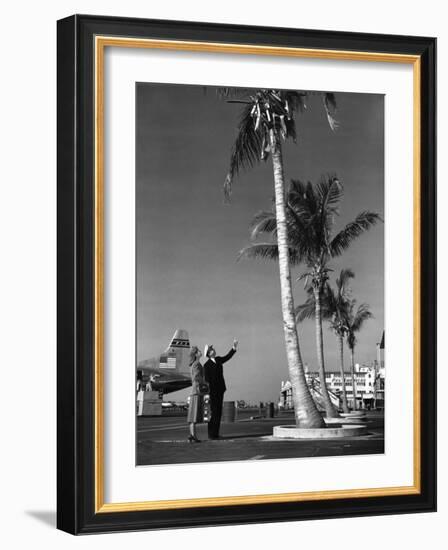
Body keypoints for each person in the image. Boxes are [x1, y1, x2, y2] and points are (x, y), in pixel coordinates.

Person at [203, 339, 238, 440]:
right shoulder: (206, 365)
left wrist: (234, 348)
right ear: (209, 353)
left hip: (220, 390)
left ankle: (216, 434)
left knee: (218, 412)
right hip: (212, 392)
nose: (214, 349)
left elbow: (227, 357)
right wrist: (208, 393)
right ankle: (211, 434)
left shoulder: (218, 360)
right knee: (213, 413)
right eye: (212, 349)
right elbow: (207, 381)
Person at [187, 346, 208, 443]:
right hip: (196, 391)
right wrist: (204, 382)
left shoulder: (196, 364)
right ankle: (192, 435)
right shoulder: (196, 364)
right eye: (199, 351)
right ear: (196, 354)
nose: (200, 352)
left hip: (196, 391)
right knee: (194, 416)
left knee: (193, 416)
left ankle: (193, 435)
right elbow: (196, 377)